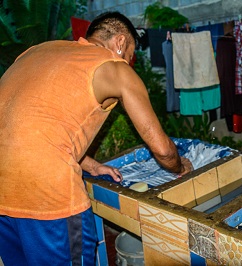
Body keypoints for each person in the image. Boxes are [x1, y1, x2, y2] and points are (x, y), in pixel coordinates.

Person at [0, 11, 193, 265]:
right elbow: (163, 149)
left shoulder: (37, 51)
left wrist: (90, 165)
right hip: (49, 199)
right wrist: (181, 166)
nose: (128, 63)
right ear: (120, 43)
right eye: (130, 56)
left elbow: (32, 126)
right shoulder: (113, 67)